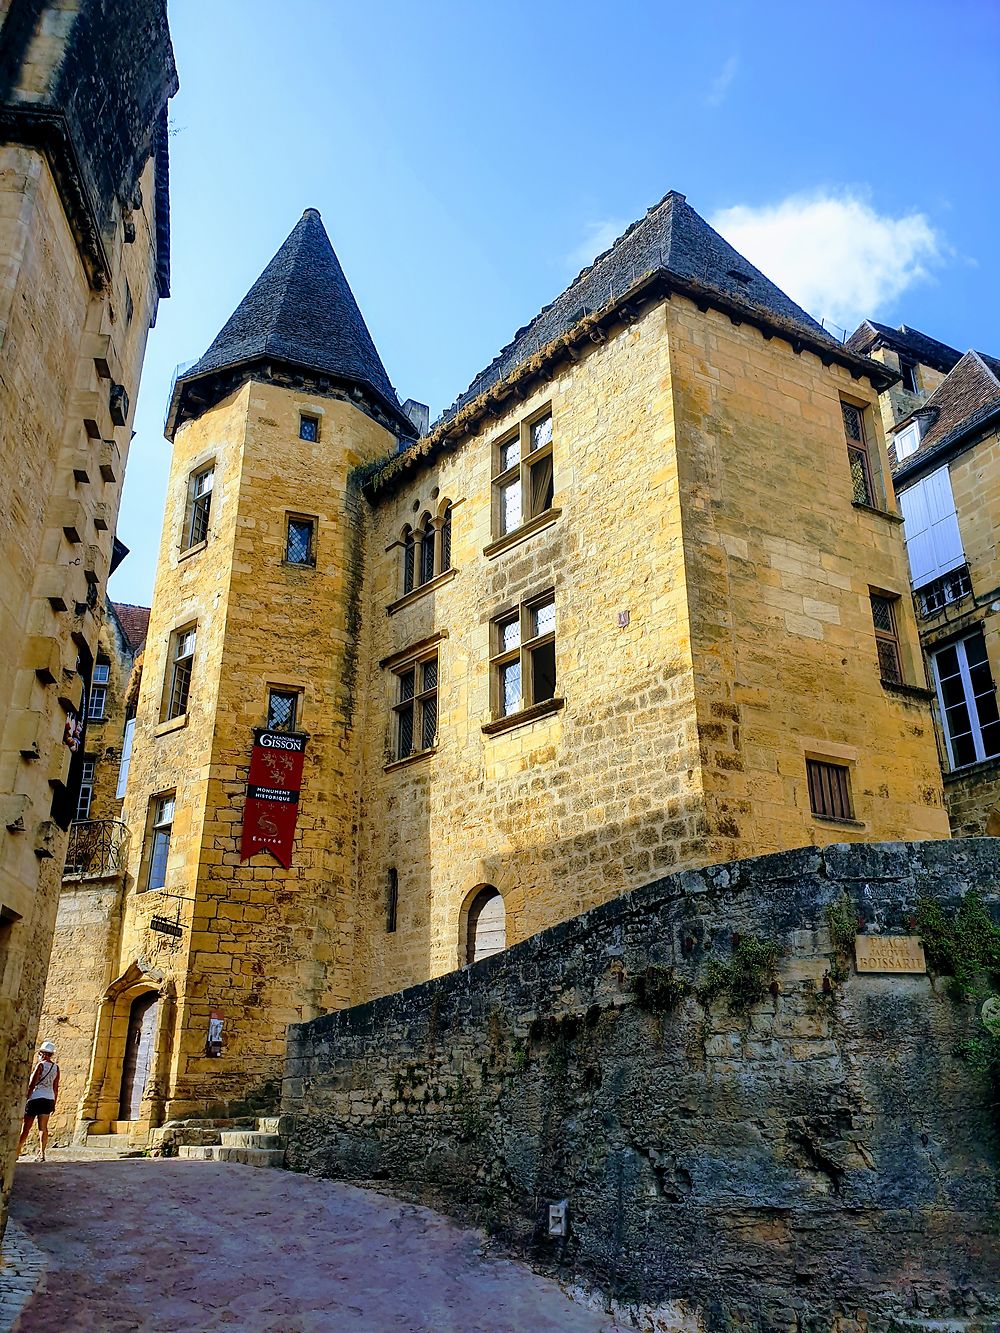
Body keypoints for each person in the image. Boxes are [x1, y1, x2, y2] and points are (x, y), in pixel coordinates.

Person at [17, 1040, 60, 1163]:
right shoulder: (56, 1068)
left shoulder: (40, 1066)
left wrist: (27, 1098)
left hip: (35, 1097)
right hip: (48, 1099)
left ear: (42, 1053)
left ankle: (18, 1149)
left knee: (27, 1126)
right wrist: (54, 1103)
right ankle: (42, 1153)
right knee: (43, 1128)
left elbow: (32, 1084)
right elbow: (55, 1087)